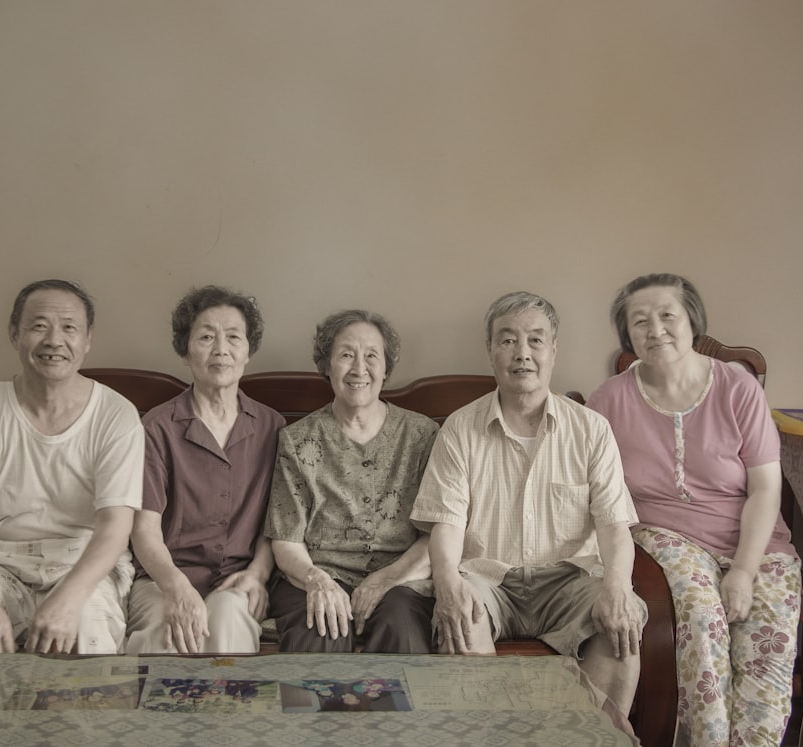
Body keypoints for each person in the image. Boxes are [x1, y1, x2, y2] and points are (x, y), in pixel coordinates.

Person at [0, 279, 144, 728]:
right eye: (38, 326)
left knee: (91, 640)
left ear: (87, 340)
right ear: (15, 334)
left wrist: (68, 599)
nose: (54, 340)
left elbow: (115, 528)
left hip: (81, 564)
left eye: (68, 328)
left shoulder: (116, 415)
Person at [587, 273, 800, 746]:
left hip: (755, 540)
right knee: (702, 625)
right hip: (666, 534)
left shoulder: (738, 388)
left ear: (692, 321)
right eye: (639, 321)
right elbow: (596, 489)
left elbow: (766, 488)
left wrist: (743, 572)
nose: (655, 329)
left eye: (668, 315)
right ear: (627, 335)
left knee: (768, 652)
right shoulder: (609, 400)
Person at [409, 291, 645, 717]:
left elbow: (613, 527)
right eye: (508, 340)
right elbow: (447, 524)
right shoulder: (460, 429)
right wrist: (446, 582)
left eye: (536, 340)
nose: (523, 354)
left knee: (619, 627)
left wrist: (618, 587)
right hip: (489, 581)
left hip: (570, 582)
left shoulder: (591, 429)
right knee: (460, 619)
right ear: (490, 351)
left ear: (554, 350)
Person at [264, 309, 438, 653]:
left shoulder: (421, 435)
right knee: (321, 631)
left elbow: (435, 535)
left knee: (401, 630)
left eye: (371, 355)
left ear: (386, 367)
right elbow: (286, 539)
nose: (359, 368)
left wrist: (386, 579)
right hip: (313, 576)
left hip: (400, 578)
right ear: (326, 366)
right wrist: (318, 582)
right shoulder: (297, 441)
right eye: (346, 355)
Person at [125, 285, 285, 654]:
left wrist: (258, 575)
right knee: (171, 629)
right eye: (206, 337)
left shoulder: (272, 427)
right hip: (163, 579)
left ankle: (232, 713)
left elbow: (276, 523)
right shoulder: (158, 426)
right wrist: (177, 589)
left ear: (248, 350)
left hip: (238, 578)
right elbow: (145, 529)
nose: (221, 349)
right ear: (185, 351)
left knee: (228, 613)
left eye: (233, 337)